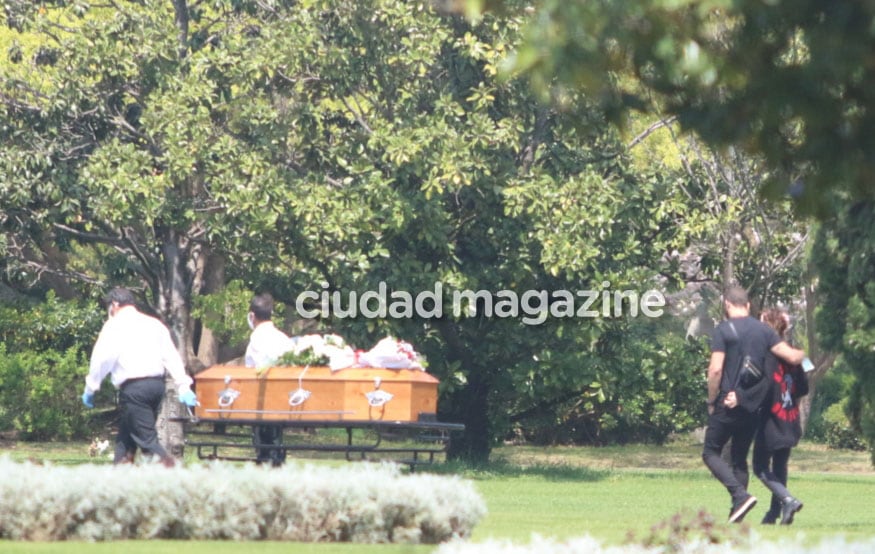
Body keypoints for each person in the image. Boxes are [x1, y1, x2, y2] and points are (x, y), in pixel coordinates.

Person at [703, 286, 805, 523]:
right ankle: (751, 511)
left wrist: (715, 399)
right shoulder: (766, 334)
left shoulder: (725, 330)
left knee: (714, 452)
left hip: (742, 406)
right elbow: (794, 360)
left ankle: (742, 497)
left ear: (727, 304)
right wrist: (804, 355)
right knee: (745, 458)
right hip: (768, 412)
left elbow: (717, 369)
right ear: (747, 305)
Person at [82, 287, 198, 467]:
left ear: (114, 305)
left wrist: (91, 387)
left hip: (134, 389)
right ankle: (118, 477)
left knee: (147, 442)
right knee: (125, 439)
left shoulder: (114, 326)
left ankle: (177, 476)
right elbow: (171, 356)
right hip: (156, 387)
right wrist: (183, 384)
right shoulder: (154, 324)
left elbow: (102, 360)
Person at [752, 308, 809, 525]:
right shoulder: (796, 354)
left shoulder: (766, 355)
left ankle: (788, 500)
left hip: (770, 420)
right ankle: (775, 513)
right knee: (779, 467)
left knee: (759, 466)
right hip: (789, 418)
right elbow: (803, 387)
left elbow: (762, 387)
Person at [244, 292, 298, 465]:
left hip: (263, 397)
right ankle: (275, 462)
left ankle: (268, 464)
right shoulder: (283, 338)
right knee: (275, 437)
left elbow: (255, 369)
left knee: (265, 442)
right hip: (283, 396)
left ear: (252, 315)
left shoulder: (257, 339)